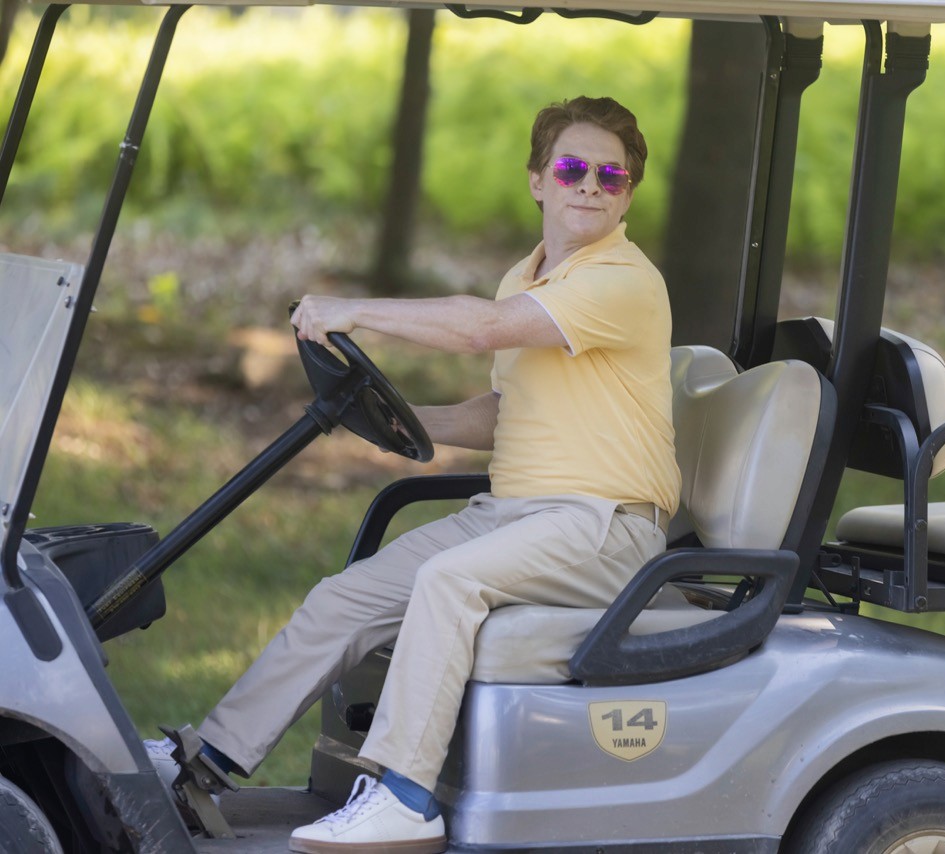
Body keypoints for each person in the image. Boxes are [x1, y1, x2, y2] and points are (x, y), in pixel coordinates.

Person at [146, 95, 679, 853]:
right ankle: (207, 762)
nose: (590, 185)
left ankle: (403, 799)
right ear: (537, 181)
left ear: (628, 192)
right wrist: (399, 419)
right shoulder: (525, 278)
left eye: (610, 175)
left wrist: (353, 310)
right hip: (517, 515)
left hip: (605, 525)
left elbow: (481, 330)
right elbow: (504, 412)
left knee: (448, 582)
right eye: (571, 167)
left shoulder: (622, 281)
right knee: (346, 597)